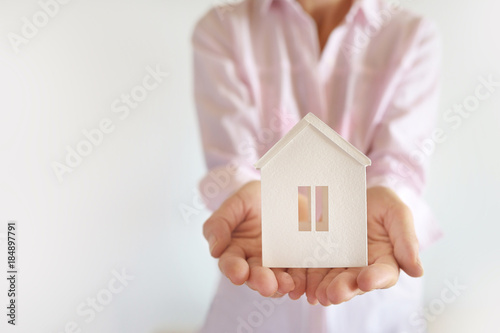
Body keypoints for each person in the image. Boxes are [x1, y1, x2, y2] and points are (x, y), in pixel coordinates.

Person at [192, 0, 443, 331]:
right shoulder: (223, 27)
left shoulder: (411, 35)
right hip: (259, 305)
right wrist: (246, 192)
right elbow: (233, 162)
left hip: (374, 307)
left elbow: (398, 165)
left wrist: (386, 194)